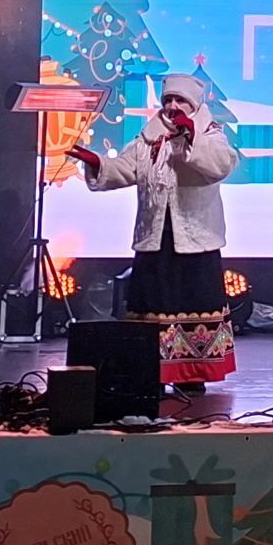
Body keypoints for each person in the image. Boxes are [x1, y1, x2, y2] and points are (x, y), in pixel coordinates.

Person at [68, 74, 239, 391]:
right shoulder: (149, 139)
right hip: (155, 236)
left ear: (194, 104)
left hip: (195, 240)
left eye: (180, 100)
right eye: (168, 100)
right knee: (153, 307)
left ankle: (192, 376)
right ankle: (151, 372)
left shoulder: (210, 135)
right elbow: (125, 169)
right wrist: (98, 164)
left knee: (194, 305)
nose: (173, 106)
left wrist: (190, 138)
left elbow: (220, 166)